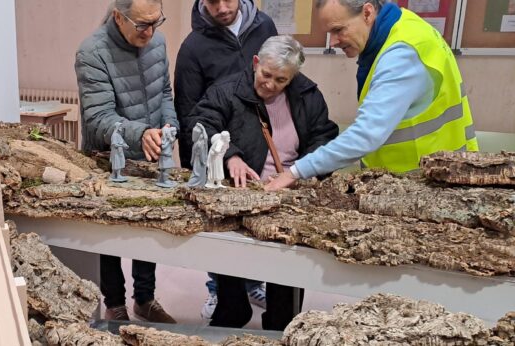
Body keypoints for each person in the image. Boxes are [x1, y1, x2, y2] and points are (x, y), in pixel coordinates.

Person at [189, 35, 339, 330]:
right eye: (266, 75)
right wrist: (229, 156)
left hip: (290, 192)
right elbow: (201, 124)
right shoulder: (227, 90)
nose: (270, 85)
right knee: (232, 261)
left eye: (281, 80)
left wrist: (300, 171)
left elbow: (324, 137)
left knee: (287, 276)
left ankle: (281, 323)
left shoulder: (308, 95)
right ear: (255, 63)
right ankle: (232, 309)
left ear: (293, 77)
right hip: (242, 192)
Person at [265, 0, 477, 191]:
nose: (333, 42)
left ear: (367, 13)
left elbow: (365, 134)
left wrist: (295, 172)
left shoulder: (401, 54)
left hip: (427, 182)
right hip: (420, 179)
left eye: (338, 30)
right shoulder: (405, 27)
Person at [75, 0, 178, 323]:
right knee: (111, 234)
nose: (150, 32)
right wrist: (140, 133)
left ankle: (145, 299)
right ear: (119, 17)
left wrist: (169, 127)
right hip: (109, 157)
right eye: (142, 25)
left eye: (156, 22)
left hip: (150, 152)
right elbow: (98, 117)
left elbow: (164, 94)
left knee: (149, 227)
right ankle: (115, 303)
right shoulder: (92, 53)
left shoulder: (157, 43)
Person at [174, 0, 277, 319]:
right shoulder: (193, 47)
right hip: (221, 155)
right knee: (222, 232)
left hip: (264, 148)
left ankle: (253, 283)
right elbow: (190, 113)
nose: (222, 7)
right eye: (212, 0)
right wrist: (204, 164)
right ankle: (219, 290)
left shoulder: (266, 28)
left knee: (261, 226)